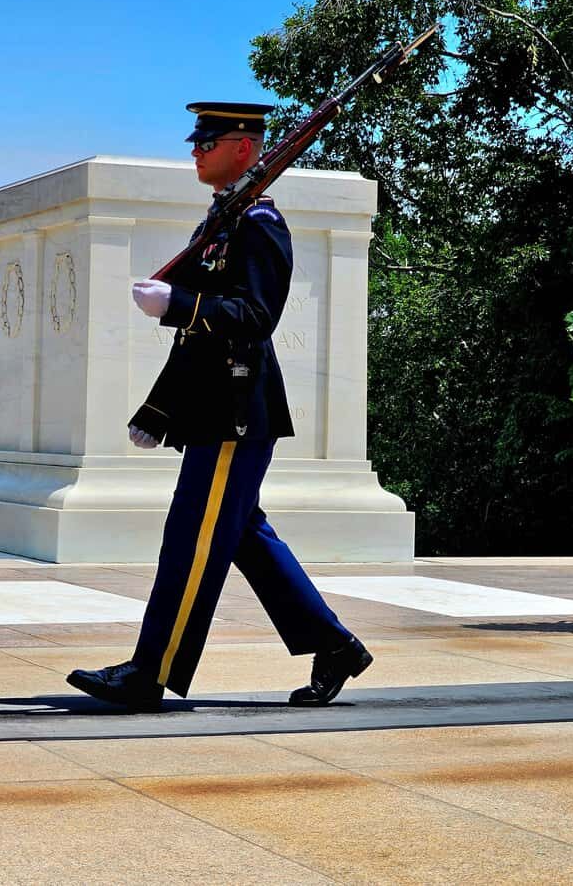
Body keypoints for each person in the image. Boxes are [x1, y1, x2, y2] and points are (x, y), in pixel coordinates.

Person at [67, 101, 372, 712]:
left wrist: (179, 304)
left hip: (237, 410)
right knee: (240, 535)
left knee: (192, 540)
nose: (195, 150)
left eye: (207, 141)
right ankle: (333, 645)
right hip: (218, 408)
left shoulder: (260, 224)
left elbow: (257, 319)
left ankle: (148, 674)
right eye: (196, 140)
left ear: (243, 147)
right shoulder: (225, 220)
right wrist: (160, 408)